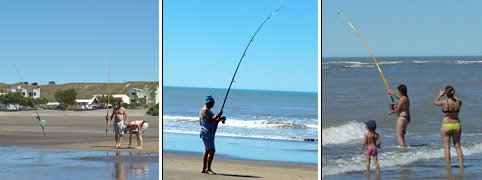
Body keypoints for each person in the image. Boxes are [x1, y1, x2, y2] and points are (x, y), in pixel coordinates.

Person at [434, 86, 463, 168]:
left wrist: (440, 95)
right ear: (453, 93)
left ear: (446, 94)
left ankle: (448, 166)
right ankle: (461, 165)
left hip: (446, 125)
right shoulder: (458, 102)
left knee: (447, 147)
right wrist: (453, 95)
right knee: (457, 146)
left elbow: (435, 102)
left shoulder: (445, 102)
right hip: (457, 125)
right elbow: (459, 101)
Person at [200, 95, 224, 175]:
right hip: (207, 133)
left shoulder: (208, 110)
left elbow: (214, 121)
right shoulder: (205, 110)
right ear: (209, 102)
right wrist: (219, 113)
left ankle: (204, 169)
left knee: (207, 150)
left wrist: (220, 119)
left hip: (209, 133)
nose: (213, 105)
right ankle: (208, 169)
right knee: (211, 150)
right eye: (212, 103)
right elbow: (211, 119)